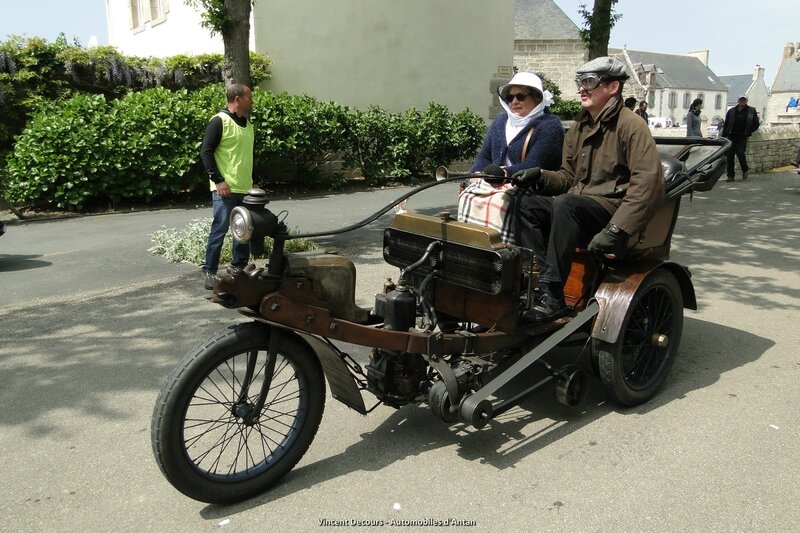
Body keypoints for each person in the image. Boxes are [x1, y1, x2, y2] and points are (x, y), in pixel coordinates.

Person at [512, 57, 664, 322]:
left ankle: (553, 294)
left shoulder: (631, 125)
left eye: (589, 82)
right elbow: (567, 177)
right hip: (579, 206)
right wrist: (539, 177)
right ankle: (533, 284)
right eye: (579, 82)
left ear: (613, 87)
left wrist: (617, 229)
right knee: (525, 203)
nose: (581, 88)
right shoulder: (580, 126)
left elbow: (648, 183)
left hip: (611, 208)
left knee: (565, 205)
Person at [458, 71, 564, 243]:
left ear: (537, 98)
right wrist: (477, 173)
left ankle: (503, 252)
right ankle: (474, 247)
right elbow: (484, 156)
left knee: (500, 202)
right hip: (496, 180)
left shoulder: (549, 126)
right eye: (510, 97)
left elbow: (533, 164)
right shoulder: (501, 121)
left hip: (529, 186)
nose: (514, 101)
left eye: (521, 96)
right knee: (468, 195)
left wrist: (502, 174)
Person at [200, 83, 255, 290]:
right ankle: (209, 272)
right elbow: (206, 152)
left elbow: (247, 156)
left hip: (245, 188)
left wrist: (254, 180)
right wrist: (218, 180)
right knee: (220, 229)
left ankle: (238, 269)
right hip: (225, 189)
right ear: (238, 99)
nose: (252, 101)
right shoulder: (219, 121)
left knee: (243, 231)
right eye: (249, 97)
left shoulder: (247, 124)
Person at [721, 95, 760, 182]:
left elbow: (756, 124)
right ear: (738, 101)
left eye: (744, 100)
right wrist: (723, 137)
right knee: (730, 156)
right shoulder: (731, 111)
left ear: (747, 101)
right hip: (731, 136)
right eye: (741, 100)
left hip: (742, 136)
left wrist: (748, 131)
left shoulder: (751, 111)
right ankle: (730, 176)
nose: (742, 101)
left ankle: (745, 169)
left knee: (740, 154)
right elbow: (726, 124)